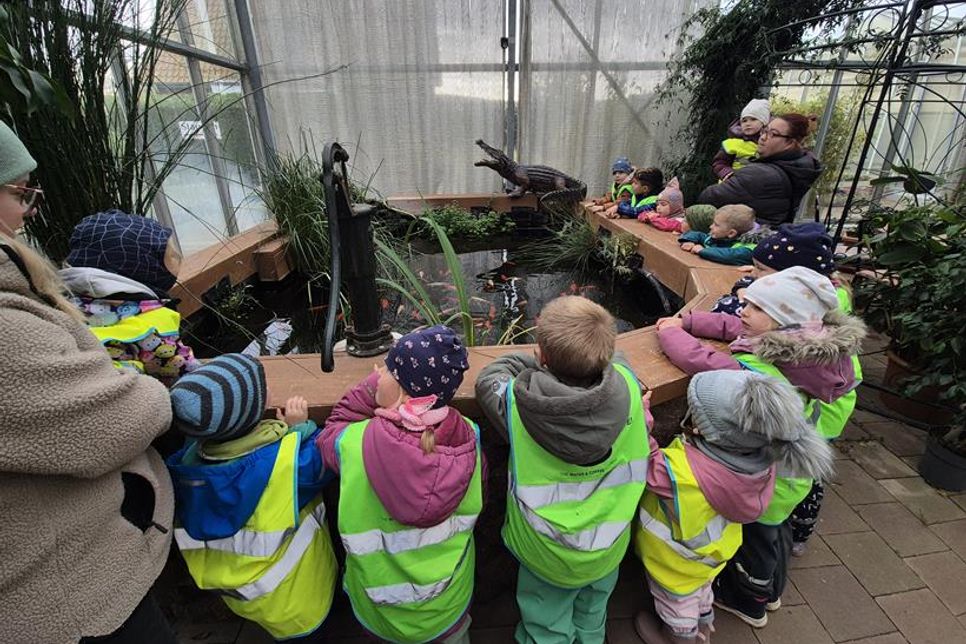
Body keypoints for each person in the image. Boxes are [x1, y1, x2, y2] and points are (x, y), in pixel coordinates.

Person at [0, 122, 178, 642]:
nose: (29, 207)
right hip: (63, 600)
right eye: (19, 191)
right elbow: (106, 422)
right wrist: (145, 385)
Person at [655, 267, 864, 628]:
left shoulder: (761, 376)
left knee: (759, 538)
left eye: (754, 307)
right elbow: (735, 328)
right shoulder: (802, 343)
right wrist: (689, 321)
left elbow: (706, 362)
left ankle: (748, 599)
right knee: (777, 534)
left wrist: (671, 333)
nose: (741, 311)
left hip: (771, 476)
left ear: (783, 319)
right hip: (789, 471)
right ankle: (772, 591)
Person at [475, 296, 648, 644]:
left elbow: (489, 377)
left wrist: (534, 365)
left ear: (542, 355)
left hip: (546, 551)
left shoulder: (517, 404)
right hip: (607, 545)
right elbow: (619, 360)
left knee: (546, 620)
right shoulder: (629, 387)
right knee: (592, 610)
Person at [633, 370, 833, 644]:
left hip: (676, 560)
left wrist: (640, 416)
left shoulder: (683, 473)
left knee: (676, 601)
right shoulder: (763, 463)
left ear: (703, 429)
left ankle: (678, 635)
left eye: (694, 411)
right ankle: (703, 620)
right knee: (701, 591)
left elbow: (645, 460)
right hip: (714, 554)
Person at [318, 325, 481, 644]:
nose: (380, 373)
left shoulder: (353, 443)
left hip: (382, 610)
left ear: (405, 393)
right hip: (446, 605)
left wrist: (368, 391)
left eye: (389, 370)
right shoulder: (470, 438)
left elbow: (331, 431)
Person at [709, 223, 859, 556]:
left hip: (821, 410)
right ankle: (797, 532)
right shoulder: (820, 305)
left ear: (794, 282)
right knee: (807, 477)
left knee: (801, 474)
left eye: (762, 270)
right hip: (826, 402)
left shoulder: (802, 321)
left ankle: (779, 545)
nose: (753, 273)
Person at [166, 354, 336, 641]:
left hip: (244, 596)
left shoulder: (184, 469)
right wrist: (300, 430)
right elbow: (326, 458)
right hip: (300, 598)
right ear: (252, 412)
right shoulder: (286, 466)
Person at [60, 210, 199, 384]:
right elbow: (178, 369)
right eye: (170, 256)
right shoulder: (149, 317)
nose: (177, 260)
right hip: (128, 397)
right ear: (143, 266)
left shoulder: (61, 302)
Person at [697, 113, 822, 227]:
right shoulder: (798, 168)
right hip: (765, 237)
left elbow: (708, 198)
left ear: (790, 143)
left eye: (772, 134)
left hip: (739, 242)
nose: (762, 137)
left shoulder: (761, 174)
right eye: (764, 131)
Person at [678, 205, 761, 266]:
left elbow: (729, 255)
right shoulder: (717, 237)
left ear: (731, 233)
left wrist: (702, 251)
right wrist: (688, 240)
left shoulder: (748, 249)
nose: (711, 226)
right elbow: (698, 234)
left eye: (716, 225)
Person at [711, 99, 770, 181]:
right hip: (731, 185)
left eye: (753, 119)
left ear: (764, 122)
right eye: (744, 121)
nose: (748, 124)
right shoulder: (731, 143)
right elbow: (719, 163)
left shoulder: (770, 144)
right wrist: (728, 174)